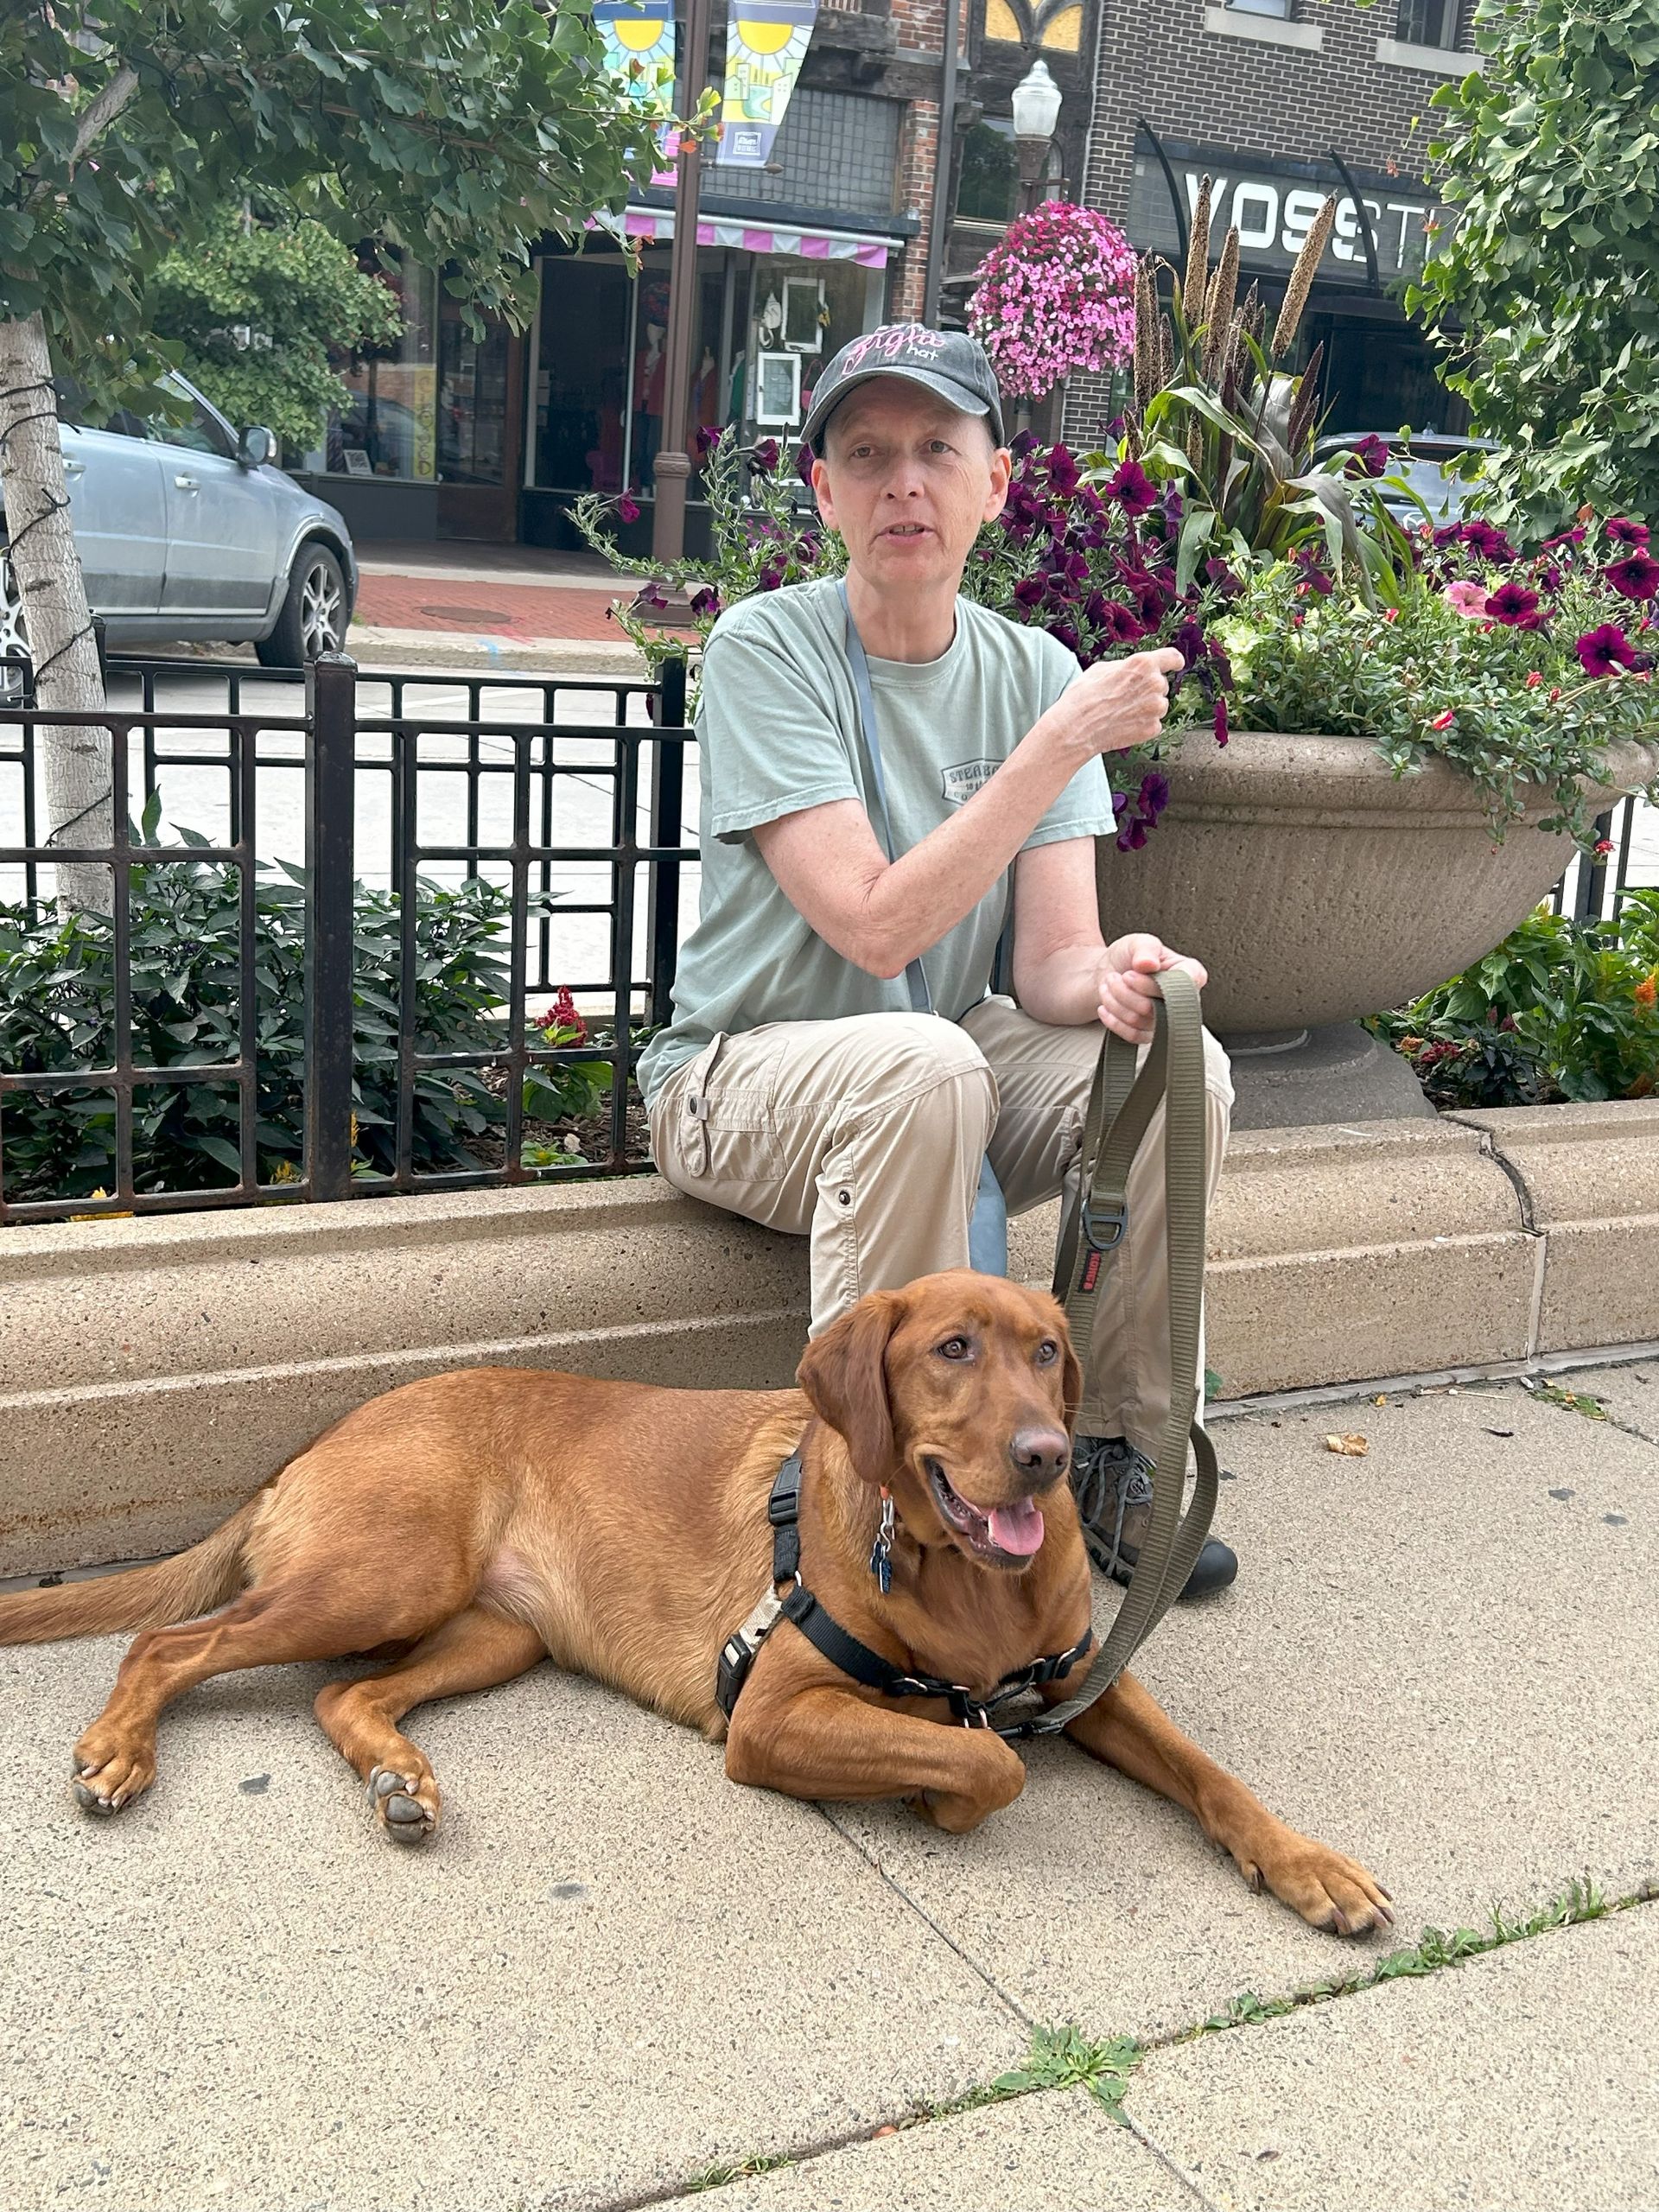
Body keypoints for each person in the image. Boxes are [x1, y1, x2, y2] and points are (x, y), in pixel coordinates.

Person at [638, 324, 1237, 1598]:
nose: (902, 482)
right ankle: (858, 1498)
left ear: (995, 483)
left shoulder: (1032, 670)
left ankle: (1115, 1451)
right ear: (825, 492)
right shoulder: (764, 650)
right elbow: (874, 926)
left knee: (1180, 1071)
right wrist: (1057, 742)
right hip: (738, 1078)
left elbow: (1053, 961)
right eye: (866, 455)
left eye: (935, 450)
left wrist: (1118, 978)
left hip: (942, 1066)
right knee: (926, 1064)